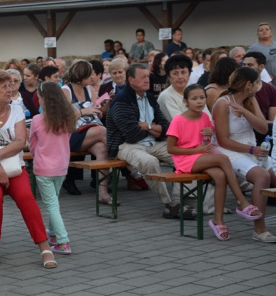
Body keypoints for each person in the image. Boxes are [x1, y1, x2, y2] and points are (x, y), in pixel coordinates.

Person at [0, 70, 57, 270]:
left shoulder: (17, 110)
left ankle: (44, 246)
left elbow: (20, 142)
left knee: (26, 195)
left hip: (13, 167)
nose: (10, 90)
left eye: (10, 85)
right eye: (4, 87)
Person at [166, 86, 262, 241]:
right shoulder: (179, 120)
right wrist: (195, 150)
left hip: (202, 156)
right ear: (185, 101)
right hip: (186, 159)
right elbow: (171, 148)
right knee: (223, 159)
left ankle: (218, 220)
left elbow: (206, 140)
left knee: (220, 175)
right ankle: (242, 201)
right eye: (194, 98)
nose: (199, 102)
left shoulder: (204, 117)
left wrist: (210, 134)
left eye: (202, 98)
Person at [105, 63, 196, 220]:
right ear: (131, 79)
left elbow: (166, 127)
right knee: (150, 162)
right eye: (143, 77)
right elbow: (131, 134)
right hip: (126, 145)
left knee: (184, 157)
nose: (148, 80)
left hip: (153, 142)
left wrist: (146, 126)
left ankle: (177, 200)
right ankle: (169, 204)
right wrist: (153, 128)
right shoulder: (121, 100)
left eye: (148, 76)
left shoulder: (149, 98)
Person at [212, 67, 276, 242]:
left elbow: (263, 128)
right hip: (230, 152)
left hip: (251, 150)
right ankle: (260, 230)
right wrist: (250, 150)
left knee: (273, 176)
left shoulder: (250, 99)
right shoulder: (223, 103)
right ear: (249, 84)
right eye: (257, 82)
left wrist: (245, 111)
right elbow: (223, 140)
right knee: (262, 177)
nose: (260, 86)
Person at [30, 82, 76, 255]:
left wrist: (38, 157)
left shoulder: (37, 120)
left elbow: (32, 145)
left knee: (51, 205)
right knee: (54, 201)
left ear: (44, 100)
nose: (38, 101)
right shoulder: (68, 118)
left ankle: (63, 241)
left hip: (43, 168)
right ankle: (54, 235)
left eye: (39, 98)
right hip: (62, 166)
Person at [62, 61, 114, 203]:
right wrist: (83, 111)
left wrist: (102, 107)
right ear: (80, 75)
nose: (92, 77)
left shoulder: (90, 90)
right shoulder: (65, 91)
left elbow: (98, 116)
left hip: (91, 130)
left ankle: (102, 193)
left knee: (102, 148)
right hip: (71, 135)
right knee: (102, 130)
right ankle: (129, 160)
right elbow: (62, 120)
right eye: (89, 74)